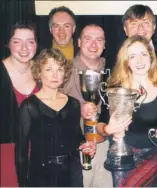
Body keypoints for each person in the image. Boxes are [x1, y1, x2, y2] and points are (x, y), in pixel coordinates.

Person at [96, 35, 157, 187]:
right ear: (126, 61)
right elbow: (100, 126)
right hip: (124, 160)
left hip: (156, 159)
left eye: (143, 54)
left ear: (151, 58)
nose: (139, 61)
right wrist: (108, 128)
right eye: (132, 56)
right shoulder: (116, 90)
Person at [15, 48, 95, 187]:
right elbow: (21, 152)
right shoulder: (29, 106)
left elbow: (77, 136)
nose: (55, 75)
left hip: (72, 174)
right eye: (49, 69)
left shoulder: (74, 104)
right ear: (39, 73)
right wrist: (22, 183)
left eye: (59, 69)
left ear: (65, 74)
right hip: (41, 176)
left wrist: (86, 146)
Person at [62, 24, 112, 187]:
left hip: (106, 146)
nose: (93, 45)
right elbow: (49, 107)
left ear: (104, 45)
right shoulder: (64, 69)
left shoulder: (113, 69)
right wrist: (76, 110)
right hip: (76, 149)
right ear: (78, 42)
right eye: (88, 39)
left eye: (99, 40)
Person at [0, 22, 39, 187]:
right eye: (17, 41)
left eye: (30, 41)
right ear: (8, 43)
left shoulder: (42, 71)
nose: (24, 47)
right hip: (6, 153)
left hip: (39, 152)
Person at [122, 4, 157, 89]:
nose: (140, 28)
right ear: (125, 30)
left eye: (146, 23)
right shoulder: (116, 57)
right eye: (134, 24)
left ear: (154, 27)